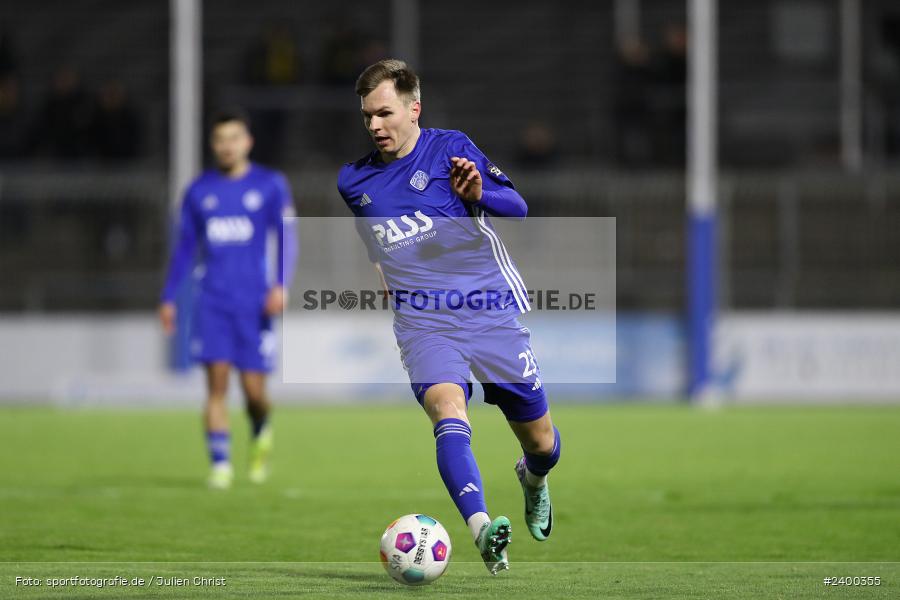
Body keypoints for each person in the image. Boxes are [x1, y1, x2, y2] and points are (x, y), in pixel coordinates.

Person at [337, 59, 561, 575]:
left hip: (488, 312)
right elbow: (372, 235)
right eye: (367, 116)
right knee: (447, 410)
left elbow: (518, 207)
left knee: (542, 443)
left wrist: (478, 194)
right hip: (422, 322)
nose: (374, 126)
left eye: (384, 113)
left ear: (414, 109)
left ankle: (534, 478)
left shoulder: (451, 148)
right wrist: (384, 273)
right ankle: (484, 530)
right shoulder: (354, 181)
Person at [159, 109, 298, 489]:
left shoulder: (269, 185)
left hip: (254, 303)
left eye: (234, 138)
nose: (227, 146)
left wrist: (281, 284)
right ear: (213, 144)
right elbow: (185, 248)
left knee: (254, 392)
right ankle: (220, 465)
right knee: (216, 386)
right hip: (212, 302)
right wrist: (169, 296)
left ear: (247, 142)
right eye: (220, 139)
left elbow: (287, 237)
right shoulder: (200, 191)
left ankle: (261, 426)